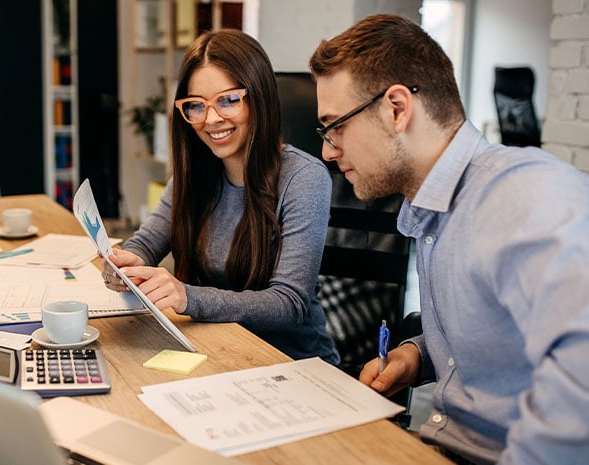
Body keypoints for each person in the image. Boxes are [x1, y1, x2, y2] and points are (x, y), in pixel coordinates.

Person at [309, 13, 589, 465]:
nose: (327, 150)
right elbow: (499, 337)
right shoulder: (432, 207)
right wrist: (416, 356)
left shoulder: (523, 195)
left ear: (397, 108)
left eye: (335, 126)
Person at [103, 29, 339, 363]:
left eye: (228, 100)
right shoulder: (195, 172)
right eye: (196, 106)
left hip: (290, 362)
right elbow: (146, 242)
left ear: (258, 98)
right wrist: (128, 262)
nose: (211, 119)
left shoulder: (304, 177)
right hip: (216, 349)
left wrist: (187, 297)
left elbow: (288, 304)